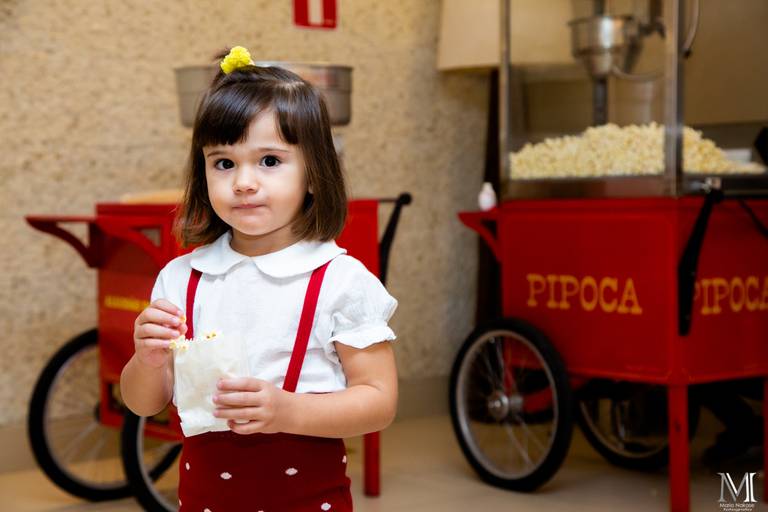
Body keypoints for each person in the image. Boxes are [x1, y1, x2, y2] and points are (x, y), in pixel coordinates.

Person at [120, 46, 399, 511]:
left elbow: (379, 400)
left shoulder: (340, 281)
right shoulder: (182, 278)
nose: (244, 182)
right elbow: (144, 403)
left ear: (313, 173)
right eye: (223, 163)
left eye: (269, 161)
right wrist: (146, 360)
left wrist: (287, 410)